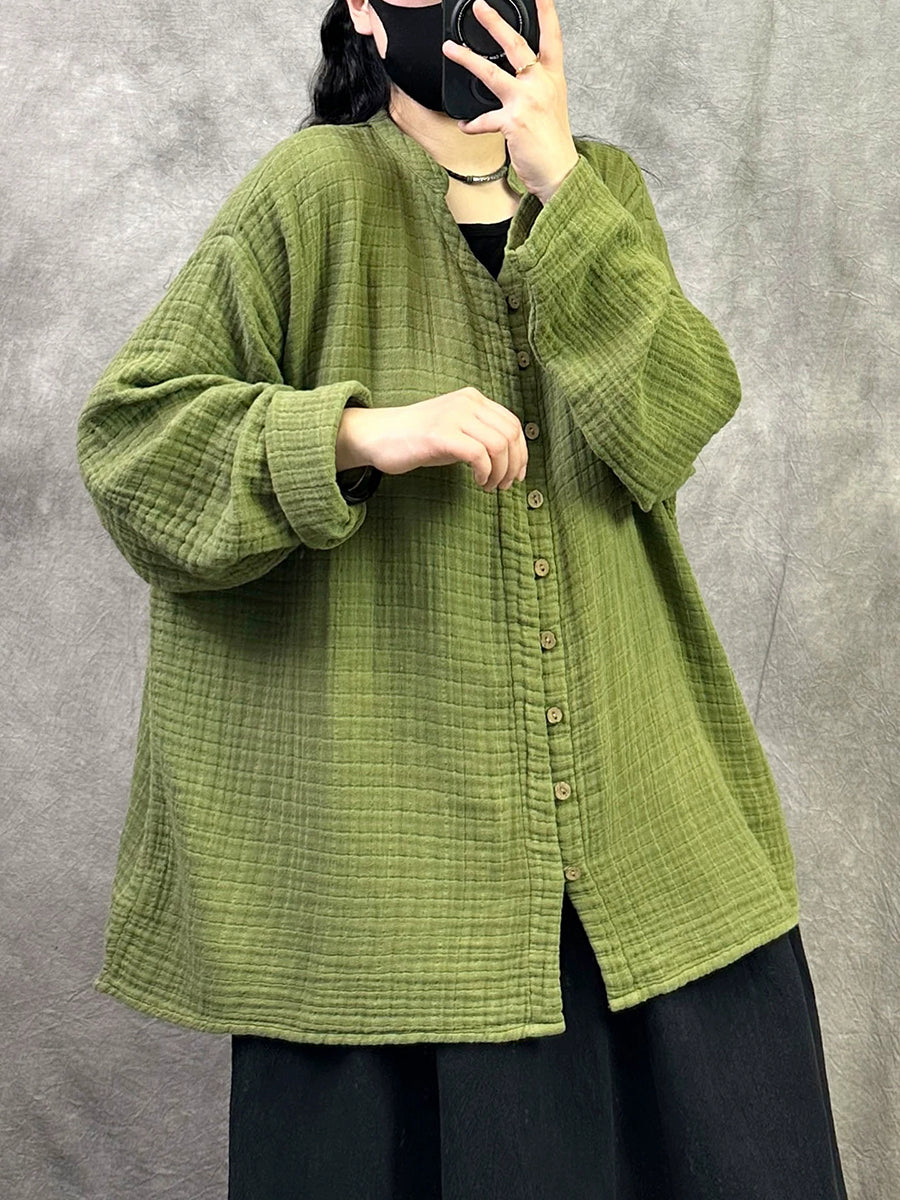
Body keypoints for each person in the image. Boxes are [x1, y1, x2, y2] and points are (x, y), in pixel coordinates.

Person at [76, 0, 851, 1196]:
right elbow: (133, 447)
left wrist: (562, 183)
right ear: (361, 11)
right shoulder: (309, 192)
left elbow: (671, 424)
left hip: (646, 835)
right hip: (397, 877)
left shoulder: (600, 189)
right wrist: (355, 434)